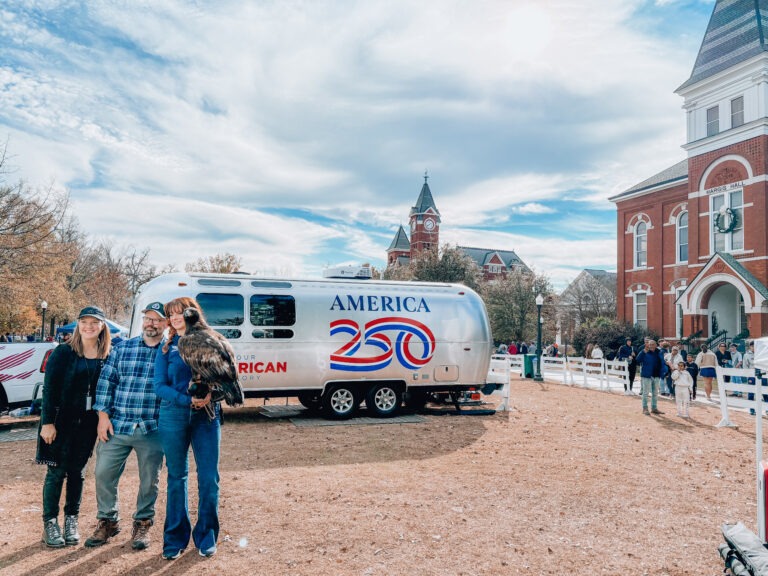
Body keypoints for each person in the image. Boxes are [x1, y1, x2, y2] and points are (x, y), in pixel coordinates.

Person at [85, 302, 168, 550]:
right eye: (148, 318)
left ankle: (143, 522)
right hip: (117, 426)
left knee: (149, 480)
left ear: (165, 324)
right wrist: (102, 417)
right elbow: (105, 384)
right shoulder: (123, 349)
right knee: (103, 473)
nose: (151, 323)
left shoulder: (169, 353)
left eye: (157, 320)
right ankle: (107, 521)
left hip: (152, 428)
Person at [36, 306, 112, 548]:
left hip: (88, 424)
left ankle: (71, 520)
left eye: (94, 322)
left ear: (102, 326)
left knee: (77, 472)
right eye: (84, 322)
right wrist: (47, 422)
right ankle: (50, 523)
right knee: (56, 472)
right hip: (60, 422)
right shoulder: (63, 352)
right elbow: (50, 389)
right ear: (78, 324)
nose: (89, 326)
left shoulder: (107, 355)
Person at [154, 297, 221, 560]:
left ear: (192, 313)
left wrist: (211, 396)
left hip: (206, 417)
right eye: (171, 314)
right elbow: (159, 386)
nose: (176, 317)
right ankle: (174, 539)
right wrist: (186, 399)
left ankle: (206, 536)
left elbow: (224, 376)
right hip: (174, 417)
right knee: (176, 478)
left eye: (180, 312)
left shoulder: (209, 340)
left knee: (208, 478)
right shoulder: (167, 346)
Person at [635, 339, 667, 416]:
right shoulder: (644, 352)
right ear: (647, 345)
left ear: (656, 345)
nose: (651, 346)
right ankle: (645, 408)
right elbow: (637, 361)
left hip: (656, 375)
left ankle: (654, 408)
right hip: (647, 375)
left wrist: (664, 372)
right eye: (650, 344)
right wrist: (642, 353)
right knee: (645, 393)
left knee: (655, 393)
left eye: (653, 344)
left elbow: (662, 362)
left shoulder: (659, 352)